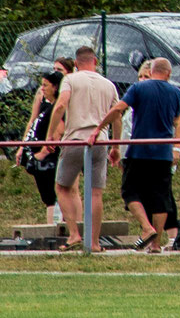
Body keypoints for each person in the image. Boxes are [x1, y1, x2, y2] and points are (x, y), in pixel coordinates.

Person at [46, 44, 121, 251]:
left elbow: (60, 105)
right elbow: (117, 115)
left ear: (76, 64)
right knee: (95, 193)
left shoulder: (70, 79)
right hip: (100, 142)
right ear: (95, 61)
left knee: (62, 187)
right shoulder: (109, 84)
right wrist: (115, 147)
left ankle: (74, 235)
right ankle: (94, 242)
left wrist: (51, 135)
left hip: (76, 138)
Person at [110, 56, 180, 251]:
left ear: (152, 72)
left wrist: (110, 139)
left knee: (130, 190)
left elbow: (119, 110)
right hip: (162, 153)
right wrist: (176, 148)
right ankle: (155, 243)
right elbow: (178, 121)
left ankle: (147, 228)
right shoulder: (175, 92)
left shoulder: (138, 90)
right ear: (168, 73)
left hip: (140, 151)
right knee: (160, 196)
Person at [18, 71, 62, 224]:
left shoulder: (57, 108)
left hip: (49, 159)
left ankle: (54, 228)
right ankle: (52, 226)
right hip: (38, 154)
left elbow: (58, 132)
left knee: (52, 197)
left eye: (45, 85)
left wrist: (42, 153)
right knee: (48, 198)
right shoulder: (48, 106)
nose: (42, 89)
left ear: (55, 87)